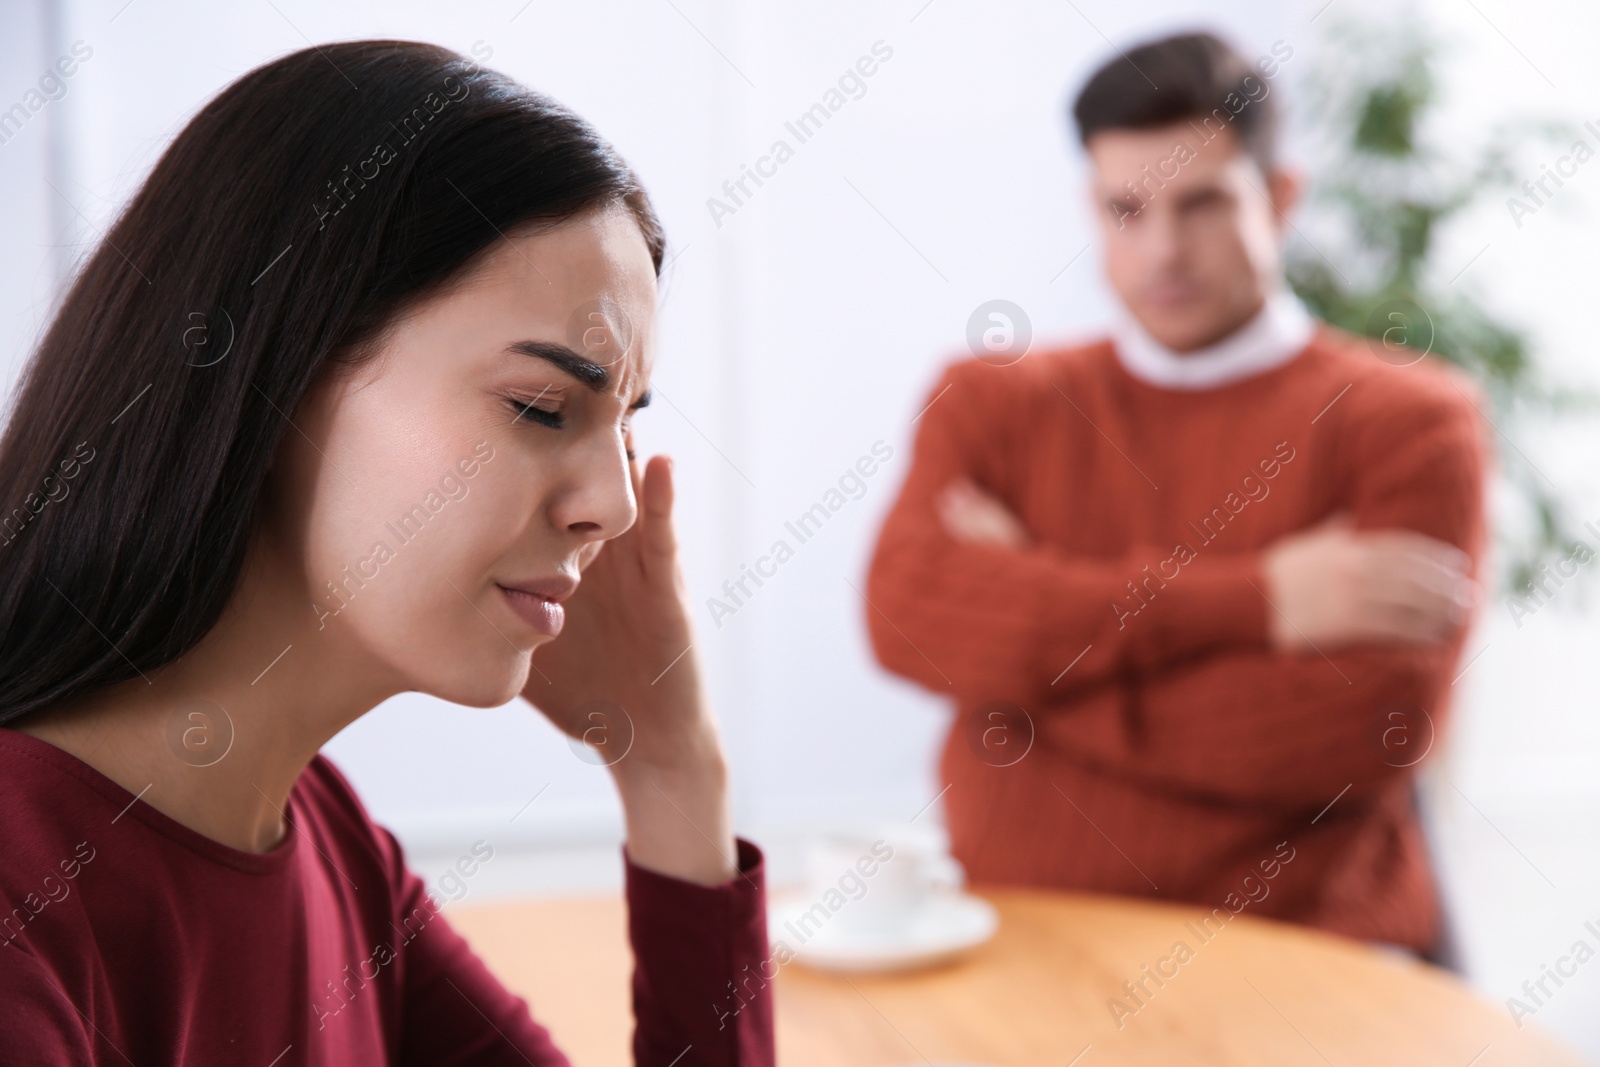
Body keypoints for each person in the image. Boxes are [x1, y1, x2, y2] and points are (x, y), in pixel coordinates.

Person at [0, 41, 772, 1065]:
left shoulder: (326, 840)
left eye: (622, 424)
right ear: (272, 376)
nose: (616, 504)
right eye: (542, 406)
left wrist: (673, 773)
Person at [864, 30, 1487, 962]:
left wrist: (1027, 679)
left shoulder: (1412, 420)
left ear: (1280, 199)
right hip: (1016, 947)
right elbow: (907, 620)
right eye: (1127, 209)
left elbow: (1364, 732)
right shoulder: (991, 402)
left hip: (1306, 963)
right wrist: (1260, 600)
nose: (1161, 249)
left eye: (1201, 205)